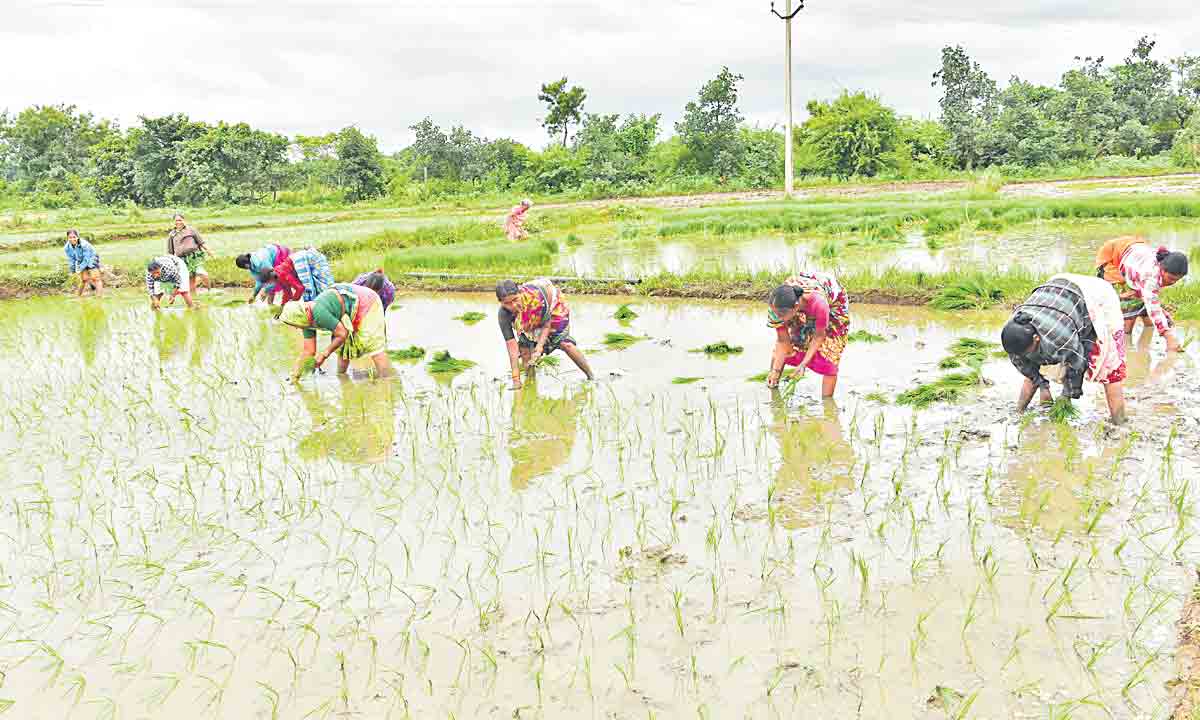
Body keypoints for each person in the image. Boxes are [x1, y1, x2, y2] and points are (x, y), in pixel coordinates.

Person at [1000, 273, 1127, 424]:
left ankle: (1119, 424)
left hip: (1098, 296)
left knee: (1110, 370)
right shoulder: (1013, 330)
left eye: (1027, 352)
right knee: (1030, 358)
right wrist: (1042, 386)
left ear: (1037, 338)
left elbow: (1078, 363)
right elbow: (1024, 365)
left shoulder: (1060, 336)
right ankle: (1019, 412)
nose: (1022, 356)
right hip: (1059, 289)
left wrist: (1066, 395)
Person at [279, 283, 393, 379]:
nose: (296, 328)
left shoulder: (318, 312)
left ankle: (387, 380)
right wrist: (295, 375)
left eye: (295, 324)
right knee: (343, 349)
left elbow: (342, 333)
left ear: (300, 316)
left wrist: (324, 355)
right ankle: (342, 378)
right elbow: (309, 351)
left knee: (372, 344)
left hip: (366, 301)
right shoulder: (305, 321)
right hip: (347, 313)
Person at [765, 272, 851, 398]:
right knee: (793, 344)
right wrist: (775, 371)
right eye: (776, 314)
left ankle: (827, 403)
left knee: (830, 353)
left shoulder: (819, 304)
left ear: (795, 308)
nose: (777, 318)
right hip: (800, 301)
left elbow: (819, 336)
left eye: (781, 317)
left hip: (833, 304)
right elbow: (782, 341)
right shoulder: (776, 306)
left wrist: (803, 364)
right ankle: (774, 384)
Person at [496, 278, 594, 389]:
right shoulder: (503, 315)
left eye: (515, 300)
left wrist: (539, 347)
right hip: (529, 316)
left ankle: (591, 376)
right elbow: (512, 348)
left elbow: (546, 324)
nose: (513, 305)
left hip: (552, 305)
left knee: (564, 343)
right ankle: (530, 383)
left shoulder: (535, 298)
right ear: (501, 303)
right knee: (525, 348)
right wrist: (516, 379)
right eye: (507, 303)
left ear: (520, 293)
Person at [1095, 236, 1188, 351]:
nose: (1171, 282)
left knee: (1149, 320)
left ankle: (1144, 352)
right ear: (1161, 269)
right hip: (1113, 254)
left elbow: (1149, 297)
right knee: (1127, 324)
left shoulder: (1159, 267)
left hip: (1134, 250)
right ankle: (1125, 353)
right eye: (1170, 278)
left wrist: (1160, 310)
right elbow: (1151, 299)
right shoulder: (1149, 275)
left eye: (1176, 280)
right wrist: (1168, 336)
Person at [264, 247, 334, 304]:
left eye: (269, 282)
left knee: (318, 285)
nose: (270, 284)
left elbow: (300, 288)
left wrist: (293, 302)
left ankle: (326, 302)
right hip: (302, 259)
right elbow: (287, 293)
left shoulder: (282, 274)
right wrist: (283, 306)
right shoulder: (278, 276)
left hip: (307, 259)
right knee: (318, 286)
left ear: (271, 278)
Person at [166, 213, 210, 293]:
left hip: (194, 257)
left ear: (184, 220)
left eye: (180, 220)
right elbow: (170, 252)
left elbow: (201, 242)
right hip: (182, 259)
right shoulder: (172, 235)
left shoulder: (191, 230)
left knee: (203, 274)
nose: (178, 222)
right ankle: (193, 296)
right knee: (190, 279)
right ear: (174, 222)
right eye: (176, 220)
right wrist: (171, 262)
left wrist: (209, 251)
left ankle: (209, 290)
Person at [64, 229, 103, 297]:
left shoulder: (84, 244)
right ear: (67, 238)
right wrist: (72, 270)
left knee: (95, 278)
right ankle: (78, 296)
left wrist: (79, 268)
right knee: (84, 279)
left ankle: (99, 296)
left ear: (77, 237)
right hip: (81, 260)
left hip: (92, 257)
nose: (72, 239)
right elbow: (71, 260)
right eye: (70, 237)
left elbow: (87, 259)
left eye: (74, 237)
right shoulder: (67, 248)